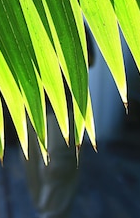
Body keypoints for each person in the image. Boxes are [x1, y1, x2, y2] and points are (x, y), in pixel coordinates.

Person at [25, 31, 96, 218]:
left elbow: (89, 59)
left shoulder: (69, 15)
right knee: (37, 175)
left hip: (61, 109)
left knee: (56, 171)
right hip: (34, 108)